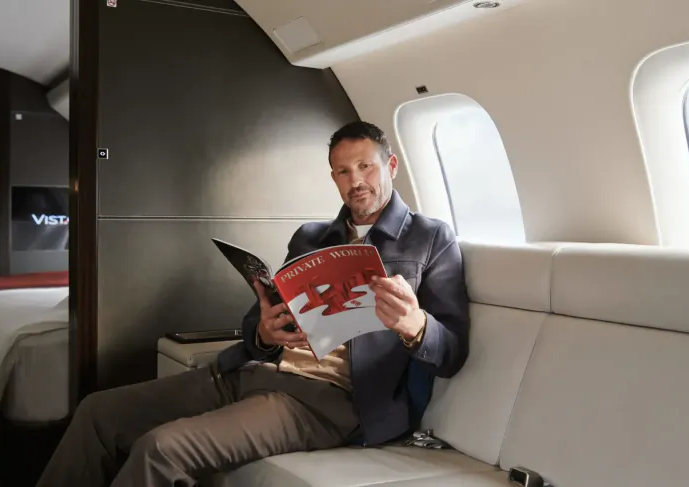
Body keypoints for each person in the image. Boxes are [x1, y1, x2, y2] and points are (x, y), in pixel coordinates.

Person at [36, 121, 470, 487]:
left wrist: (414, 324)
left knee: (160, 449)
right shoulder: (311, 237)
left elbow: (452, 351)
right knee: (97, 413)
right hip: (252, 372)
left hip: (329, 400)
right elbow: (257, 319)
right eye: (342, 171)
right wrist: (264, 331)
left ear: (390, 165)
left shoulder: (430, 238)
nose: (355, 181)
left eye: (365, 166)